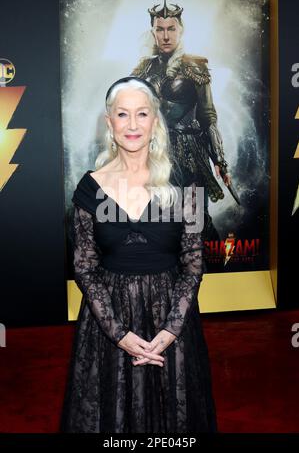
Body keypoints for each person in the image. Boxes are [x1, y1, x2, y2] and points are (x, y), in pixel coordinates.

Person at [60, 77, 217, 433]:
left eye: (142, 114)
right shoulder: (89, 189)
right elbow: (84, 267)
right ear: (109, 123)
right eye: (123, 114)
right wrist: (119, 334)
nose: (132, 125)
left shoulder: (185, 183)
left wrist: (171, 330)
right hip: (108, 322)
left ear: (155, 122)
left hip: (171, 318)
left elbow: (193, 264)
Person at [131, 0, 232, 241]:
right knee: (159, 219)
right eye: (160, 29)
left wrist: (219, 159)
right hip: (155, 154)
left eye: (171, 28)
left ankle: (207, 269)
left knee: (196, 219)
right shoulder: (143, 70)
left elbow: (208, 116)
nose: (166, 35)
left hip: (190, 153)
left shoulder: (195, 67)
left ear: (181, 30)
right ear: (153, 31)